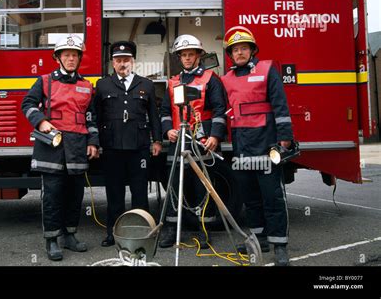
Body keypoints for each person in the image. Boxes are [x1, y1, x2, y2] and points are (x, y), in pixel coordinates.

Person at [21, 34, 99, 261]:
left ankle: (70, 235)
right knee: (52, 195)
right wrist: (40, 121)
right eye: (66, 55)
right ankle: (52, 240)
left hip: (77, 148)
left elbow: (91, 117)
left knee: (75, 194)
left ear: (79, 58)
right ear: (58, 58)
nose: (71, 59)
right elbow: (27, 103)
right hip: (51, 147)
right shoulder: (45, 81)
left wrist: (93, 142)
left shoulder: (86, 85)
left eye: (75, 55)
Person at [220, 26, 293, 266]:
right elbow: (221, 110)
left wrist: (285, 138)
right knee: (250, 198)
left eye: (243, 48)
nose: (239, 53)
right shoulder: (226, 79)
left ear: (252, 50)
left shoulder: (267, 69)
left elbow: (280, 106)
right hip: (242, 147)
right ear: (231, 54)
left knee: (272, 197)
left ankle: (280, 245)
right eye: (235, 50)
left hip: (268, 145)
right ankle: (259, 239)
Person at [159, 35, 226, 249]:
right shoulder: (173, 81)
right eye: (183, 55)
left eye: (191, 54)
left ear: (198, 55)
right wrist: (167, 129)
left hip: (201, 141)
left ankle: (203, 231)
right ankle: (171, 230)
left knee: (202, 187)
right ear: (179, 58)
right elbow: (165, 111)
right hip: (177, 142)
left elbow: (219, 110)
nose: (187, 58)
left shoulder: (210, 78)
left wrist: (215, 135)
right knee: (174, 188)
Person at [94, 41, 162, 247]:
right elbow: (96, 117)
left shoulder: (146, 85)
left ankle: (141, 233)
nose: (122, 63)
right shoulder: (102, 85)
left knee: (139, 193)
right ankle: (112, 233)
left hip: (139, 148)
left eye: (126, 60)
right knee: (114, 194)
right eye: (118, 60)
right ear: (113, 63)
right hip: (112, 147)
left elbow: (154, 116)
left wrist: (157, 140)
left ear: (133, 61)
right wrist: (95, 142)